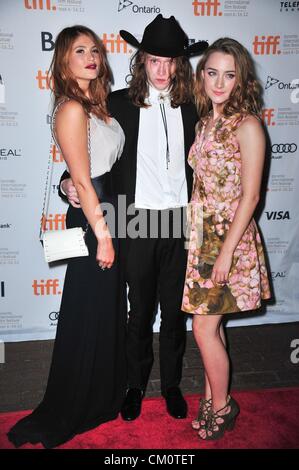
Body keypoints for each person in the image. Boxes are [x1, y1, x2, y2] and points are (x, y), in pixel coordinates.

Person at [59, 15, 208, 421]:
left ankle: (173, 384)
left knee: (175, 313)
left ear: (180, 64)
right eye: (154, 60)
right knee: (139, 312)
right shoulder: (117, 103)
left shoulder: (196, 106)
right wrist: (65, 183)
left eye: (170, 61)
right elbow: (88, 155)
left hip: (180, 222)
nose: (162, 70)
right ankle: (135, 385)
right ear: (141, 60)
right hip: (136, 222)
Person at [7, 25, 127, 449]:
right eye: (80, 51)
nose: (91, 56)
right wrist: (105, 236)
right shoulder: (71, 108)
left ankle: (99, 397)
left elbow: (95, 170)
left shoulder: (97, 105)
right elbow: (80, 175)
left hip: (113, 213)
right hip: (97, 222)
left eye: (95, 50)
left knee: (105, 311)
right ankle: (73, 402)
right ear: (64, 60)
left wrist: (110, 221)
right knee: (85, 312)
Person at [182, 37, 271, 440]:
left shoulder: (248, 124)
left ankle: (223, 406)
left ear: (241, 80)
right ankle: (211, 399)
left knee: (203, 330)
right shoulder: (205, 123)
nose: (220, 82)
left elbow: (251, 196)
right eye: (212, 72)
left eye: (229, 75)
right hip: (203, 237)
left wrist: (226, 253)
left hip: (229, 240)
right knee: (210, 331)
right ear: (202, 76)